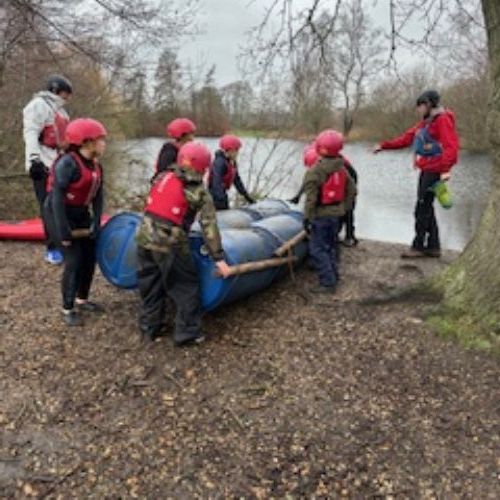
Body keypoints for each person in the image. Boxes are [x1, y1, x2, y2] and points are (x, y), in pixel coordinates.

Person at [136, 141, 231, 346]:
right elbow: (209, 226)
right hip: (170, 244)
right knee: (185, 286)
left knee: (150, 283)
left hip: (143, 238)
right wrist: (219, 258)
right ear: (203, 167)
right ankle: (187, 333)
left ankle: (150, 327)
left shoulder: (162, 177)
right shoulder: (198, 192)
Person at [374, 90, 459, 258]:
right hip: (427, 168)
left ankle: (418, 246)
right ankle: (433, 246)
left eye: (420, 106)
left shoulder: (442, 120)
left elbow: (451, 147)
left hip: (435, 170)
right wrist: (384, 146)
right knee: (426, 207)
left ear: (429, 104)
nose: (418, 109)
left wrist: (445, 170)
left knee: (421, 208)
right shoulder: (427, 122)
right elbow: (407, 138)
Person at [45, 118, 106, 326]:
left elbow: (98, 196)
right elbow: (56, 199)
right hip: (58, 213)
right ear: (86, 142)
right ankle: (67, 307)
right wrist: (64, 232)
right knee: (74, 259)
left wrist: (96, 221)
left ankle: (82, 299)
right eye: (100, 139)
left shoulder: (96, 165)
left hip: (80, 212)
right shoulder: (67, 163)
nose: (104, 144)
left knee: (89, 256)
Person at [23, 74, 72, 264]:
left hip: (58, 162)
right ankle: (52, 248)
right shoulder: (38, 105)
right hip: (42, 163)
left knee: (61, 204)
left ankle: (64, 242)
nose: (68, 97)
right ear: (56, 90)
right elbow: (31, 133)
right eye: (66, 93)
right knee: (48, 206)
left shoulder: (61, 112)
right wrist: (34, 160)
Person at [303, 130, 356, 294]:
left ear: (320, 148)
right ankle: (333, 276)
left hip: (321, 215)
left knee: (317, 249)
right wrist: (344, 208)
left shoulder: (315, 171)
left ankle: (328, 283)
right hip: (336, 215)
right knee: (332, 245)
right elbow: (352, 190)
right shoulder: (342, 168)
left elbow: (311, 199)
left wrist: (307, 218)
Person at [290, 145, 359, 246]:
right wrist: (298, 195)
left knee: (346, 210)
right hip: (341, 176)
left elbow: (312, 183)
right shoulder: (319, 155)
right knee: (333, 208)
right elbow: (310, 182)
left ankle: (349, 236)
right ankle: (334, 235)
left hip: (347, 176)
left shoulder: (319, 158)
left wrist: (307, 216)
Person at [208, 134, 255, 210]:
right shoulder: (219, 163)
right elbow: (216, 182)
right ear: (229, 150)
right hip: (214, 197)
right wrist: (221, 199)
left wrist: (247, 197)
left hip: (222, 194)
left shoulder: (232, 162)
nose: (238, 152)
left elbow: (237, 181)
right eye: (236, 150)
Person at [151, 117, 196, 182]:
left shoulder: (185, 149)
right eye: (190, 134)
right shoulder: (170, 150)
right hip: (166, 183)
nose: (192, 138)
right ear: (182, 135)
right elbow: (163, 170)